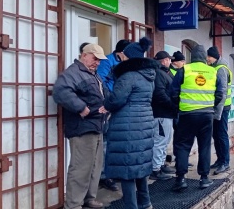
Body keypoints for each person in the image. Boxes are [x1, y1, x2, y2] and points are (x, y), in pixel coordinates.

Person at [52, 43, 108, 209]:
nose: (97, 62)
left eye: (99, 60)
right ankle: (74, 205)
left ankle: (88, 199)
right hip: (82, 128)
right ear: (84, 55)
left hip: (96, 126)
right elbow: (60, 91)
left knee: (94, 167)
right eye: (95, 58)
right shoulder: (73, 73)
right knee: (80, 169)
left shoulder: (93, 74)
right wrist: (80, 107)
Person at [104, 37, 156, 209]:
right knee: (140, 166)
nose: (122, 58)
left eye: (124, 56)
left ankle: (131, 206)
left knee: (127, 170)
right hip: (144, 123)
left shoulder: (128, 77)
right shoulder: (148, 77)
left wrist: (106, 101)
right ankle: (145, 203)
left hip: (127, 126)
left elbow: (116, 100)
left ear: (130, 58)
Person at [170, 45, 225, 191]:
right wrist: (211, 106)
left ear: (191, 57)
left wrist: (179, 107)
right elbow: (220, 94)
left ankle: (181, 179)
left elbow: (173, 92)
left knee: (182, 146)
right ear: (204, 57)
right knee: (205, 146)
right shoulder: (213, 72)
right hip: (206, 115)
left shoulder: (184, 70)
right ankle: (204, 178)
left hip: (187, 114)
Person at [95, 39, 130, 191]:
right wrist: (110, 98)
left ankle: (114, 171)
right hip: (109, 105)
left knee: (116, 141)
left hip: (119, 105)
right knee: (105, 141)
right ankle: (104, 176)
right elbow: (101, 82)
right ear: (121, 53)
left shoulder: (125, 63)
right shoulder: (107, 62)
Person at [150, 51, 177, 180]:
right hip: (162, 113)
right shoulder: (159, 74)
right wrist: (172, 105)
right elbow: (160, 94)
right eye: (168, 60)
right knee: (160, 141)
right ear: (164, 60)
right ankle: (155, 169)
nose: (170, 62)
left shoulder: (164, 73)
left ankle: (160, 165)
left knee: (164, 140)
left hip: (166, 113)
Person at [207, 46, 233, 175]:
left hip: (222, 107)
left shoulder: (221, 69)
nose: (207, 59)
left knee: (222, 135)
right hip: (217, 107)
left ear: (214, 57)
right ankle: (220, 160)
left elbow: (222, 92)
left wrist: (217, 111)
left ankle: (225, 162)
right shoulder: (215, 68)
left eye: (209, 57)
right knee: (216, 135)